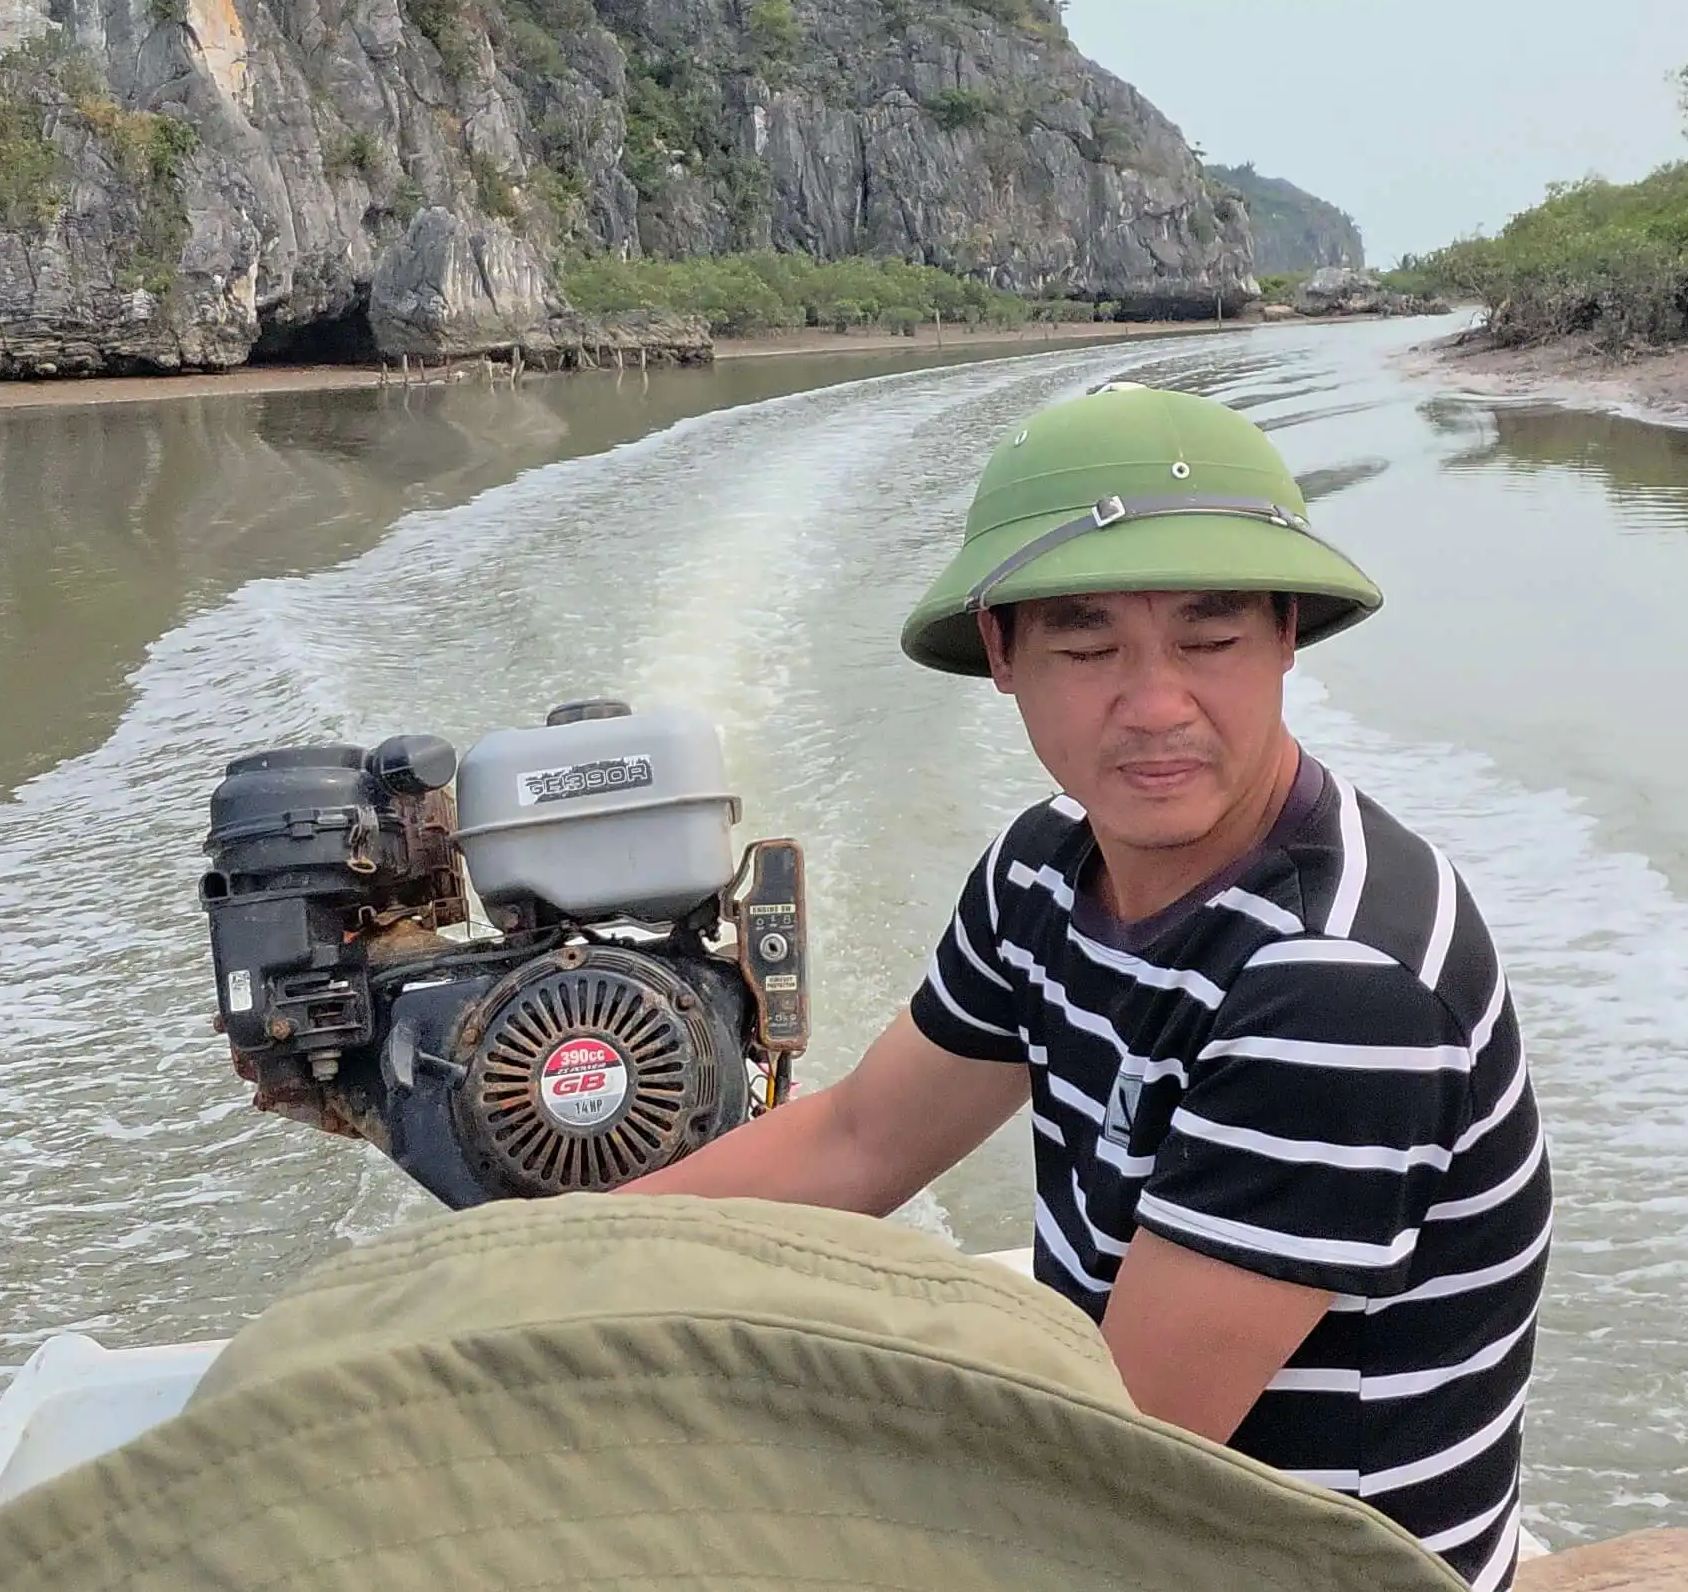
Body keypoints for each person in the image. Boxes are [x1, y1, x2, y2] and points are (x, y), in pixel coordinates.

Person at [625, 382, 1549, 1590]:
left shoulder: (1339, 986)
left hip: (1288, 1552)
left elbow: (1120, 1451)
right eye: (1086, 641)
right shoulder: (1046, 866)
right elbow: (855, 1140)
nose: (1155, 702)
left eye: (1209, 640)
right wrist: (561, 1260)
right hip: (1145, 1482)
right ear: (1002, 653)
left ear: (1285, 637)